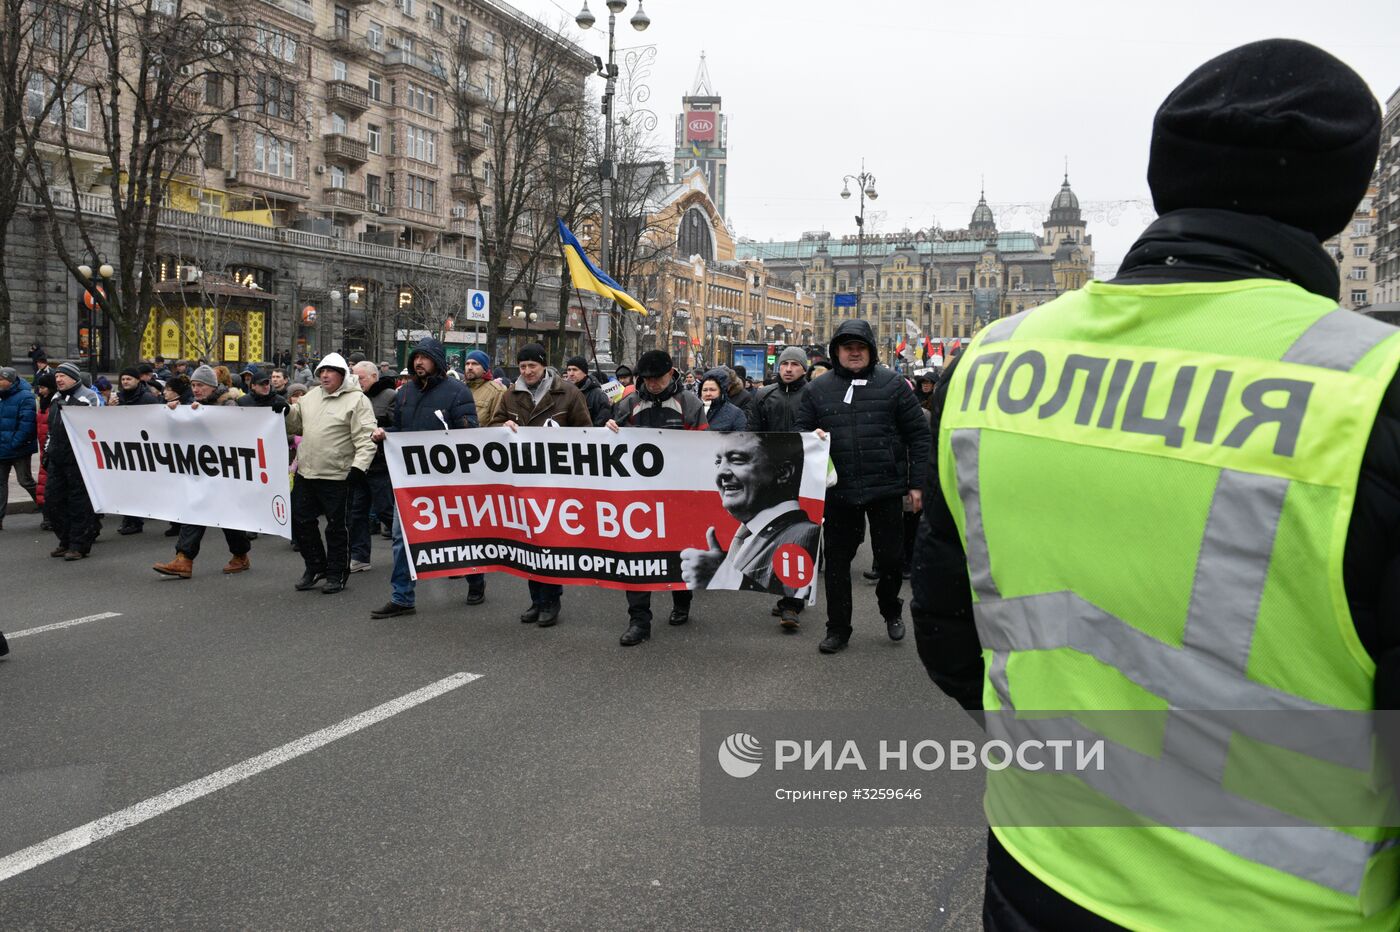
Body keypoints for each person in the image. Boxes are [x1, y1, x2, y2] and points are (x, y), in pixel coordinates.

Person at [915, 40, 1400, 931]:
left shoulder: (992, 363)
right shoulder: (1374, 387)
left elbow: (947, 630)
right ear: (1345, 197)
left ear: (1161, 174)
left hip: (1038, 865)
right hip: (1283, 907)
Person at [796, 319, 930, 654]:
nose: (854, 353)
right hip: (838, 491)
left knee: (890, 560)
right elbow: (798, 434)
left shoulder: (894, 385)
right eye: (847, 347)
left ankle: (890, 607)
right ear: (837, 351)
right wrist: (812, 438)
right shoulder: (817, 389)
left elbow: (919, 435)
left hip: (885, 486)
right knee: (838, 564)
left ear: (869, 350)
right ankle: (838, 628)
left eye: (860, 347)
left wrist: (918, 484)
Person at [369, 337, 478, 618]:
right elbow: (402, 429)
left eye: (425, 357)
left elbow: (469, 435)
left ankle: (475, 578)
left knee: (458, 534)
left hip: (447, 480)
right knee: (401, 537)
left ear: (437, 361)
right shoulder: (404, 393)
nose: (418, 362)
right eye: (416, 357)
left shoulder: (457, 392)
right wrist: (386, 434)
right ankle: (402, 597)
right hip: (410, 481)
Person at [606, 349, 707, 646]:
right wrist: (610, 430)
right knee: (637, 558)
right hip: (639, 497)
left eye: (657, 378)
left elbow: (705, 445)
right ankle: (639, 620)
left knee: (679, 553)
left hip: (679, 496)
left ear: (671, 373)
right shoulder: (629, 403)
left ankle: (682, 598)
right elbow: (613, 445)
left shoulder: (690, 403)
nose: (651, 384)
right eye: (646, 379)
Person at [497, 343, 591, 626]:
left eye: (532, 367)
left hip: (556, 480)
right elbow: (494, 423)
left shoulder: (568, 393)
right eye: (522, 367)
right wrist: (501, 428)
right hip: (522, 479)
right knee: (528, 540)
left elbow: (586, 432)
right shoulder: (510, 395)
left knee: (549, 541)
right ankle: (536, 600)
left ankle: (551, 601)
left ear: (544, 366)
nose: (526, 372)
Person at [679, 431, 819, 598]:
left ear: (783, 473)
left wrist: (724, 577)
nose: (721, 472)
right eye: (718, 462)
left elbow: (796, 594)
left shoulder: (805, 534)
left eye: (737, 460)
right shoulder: (752, 533)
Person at [284, 353, 377, 595]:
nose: (324, 375)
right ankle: (315, 566)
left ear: (342, 375)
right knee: (300, 521)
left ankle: (336, 573)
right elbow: (296, 424)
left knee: (337, 528)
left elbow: (367, 438)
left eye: (330, 371)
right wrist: (285, 412)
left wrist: (359, 467)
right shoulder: (311, 396)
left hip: (338, 475)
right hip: (307, 471)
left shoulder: (357, 401)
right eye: (321, 371)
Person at [151, 377, 255, 579]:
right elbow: (176, 435)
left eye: (201, 385)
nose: (196, 389)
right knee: (196, 508)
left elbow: (234, 431)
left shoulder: (228, 403)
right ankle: (184, 558)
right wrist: (171, 413)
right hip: (202, 469)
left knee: (227, 514)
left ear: (213, 386)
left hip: (227, 469)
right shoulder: (189, 406)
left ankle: (240, 554)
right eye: (193, 385)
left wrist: (205, 416)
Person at [747, 345, 812, 630]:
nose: (788, 369)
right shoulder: (763, 395)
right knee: (775, 537)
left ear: (804, 368)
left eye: (795, 364)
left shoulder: (814, 394)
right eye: (784, 363)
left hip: (806, 475)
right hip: (772, 477)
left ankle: (792, 603)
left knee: (799, 536)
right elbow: (751, 434)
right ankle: (784, 591)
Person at [44, 363, 102, 560]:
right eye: (57, 376)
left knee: (79, 504)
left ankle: (79, 545)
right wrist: (47, 452)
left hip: (78, 461)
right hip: (57, 459)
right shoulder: (56, 397)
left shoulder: (88, 398)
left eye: (63, 376)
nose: (58, 379)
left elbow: (95, 430)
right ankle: (65, 540)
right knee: (53, 502)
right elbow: (52, 429)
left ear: (74, 377)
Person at [347, 361, 398, 571]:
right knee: (357, 513)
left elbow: (398, 428)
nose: (357, 382)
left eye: (361, 378)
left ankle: (412, 547)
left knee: (386, 510)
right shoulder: (352, 398)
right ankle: (360, 556)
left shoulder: (390, 397)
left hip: (380, 465)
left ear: (374, 377)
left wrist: (384, 432)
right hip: (359, 464)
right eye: (354, 378)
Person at [110, 367, 163, 536]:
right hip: (123, 446)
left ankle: (136, 520)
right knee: (126, 485)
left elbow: (158, 420)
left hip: (143, 448)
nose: (125, 382)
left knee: (138, 486)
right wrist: (109, 407)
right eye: (123, 379)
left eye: (129, 379)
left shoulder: (147, 398)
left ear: (137, 380)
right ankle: (129, 519)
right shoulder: (117, 398)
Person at [0, 366, 38, 531]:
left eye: (1, 379)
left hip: (18, 449)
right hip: (2, 448)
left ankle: (50, 509)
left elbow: (26, 425)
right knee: (0, 484)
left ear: (9, 380)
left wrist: (14, 443)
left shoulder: (25, 397)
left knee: (25, 481)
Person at [462, 350, 505, 433]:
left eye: (475, 364)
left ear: (485, 369)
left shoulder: (496, 391)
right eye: (467, 364)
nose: (470, 367)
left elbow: (497, 424)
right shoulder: (459, 388)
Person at [563, 355, 611, 427]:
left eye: (575, 370)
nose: (571, 374)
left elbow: (602, 420)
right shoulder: (563, 392)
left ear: (585, 372)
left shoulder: (598, 395)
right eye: (569, 370)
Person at [700, 368, 747, 432]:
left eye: (712, 390)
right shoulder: (695, 411)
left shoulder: (735, 414)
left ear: (721, 391)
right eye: (705, 390)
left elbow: (740, 439)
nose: (708, 394)